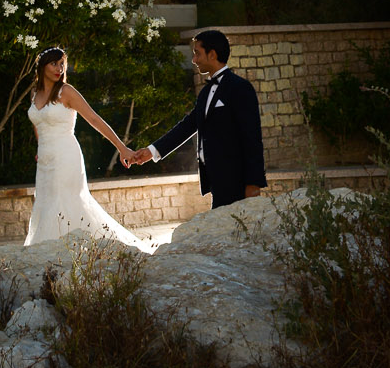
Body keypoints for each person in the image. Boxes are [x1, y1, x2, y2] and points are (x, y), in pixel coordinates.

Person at [24, 46, 158, 252]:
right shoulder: (35, 93)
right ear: (42, 67)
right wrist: (40, 147)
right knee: (46, 202)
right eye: (54, 64)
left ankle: (72, 252)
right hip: (45, 160)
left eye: (62, 64)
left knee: (65, 201)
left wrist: (122, 148)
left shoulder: (66, 91)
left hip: (66, 155)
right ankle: (47, 252)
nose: (59, 68)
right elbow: (38, 124)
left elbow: (95, 119)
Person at [128, 29, 266, 209]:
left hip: (238, 182)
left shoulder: (240, 88)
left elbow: (252, 139)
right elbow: (186, 127)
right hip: (217, 182)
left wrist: (253, 184)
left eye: (197, 53)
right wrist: (152, 151)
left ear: (212, 54)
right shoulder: (205, 93)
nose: (194, 60)